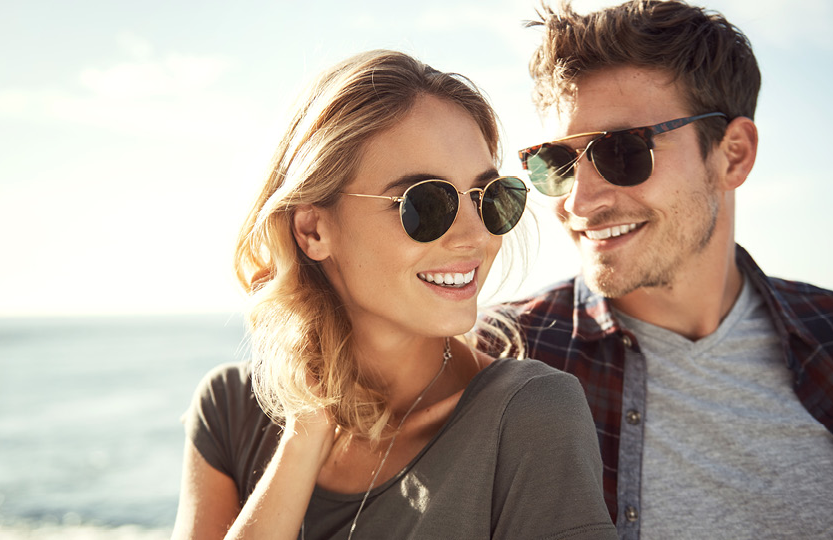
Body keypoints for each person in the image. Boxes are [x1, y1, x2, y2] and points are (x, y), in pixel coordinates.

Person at [170, 50, 616, 540]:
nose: (474, 238)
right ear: (313, 229)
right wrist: (307, 431)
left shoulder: (532, 415)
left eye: (489, 198)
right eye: (426, 203)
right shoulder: (230, 409)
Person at [482, 1, 833, 538]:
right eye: (557, 163)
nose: (581, 202)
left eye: (622, 151)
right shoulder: (498, 360)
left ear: (733, 154)